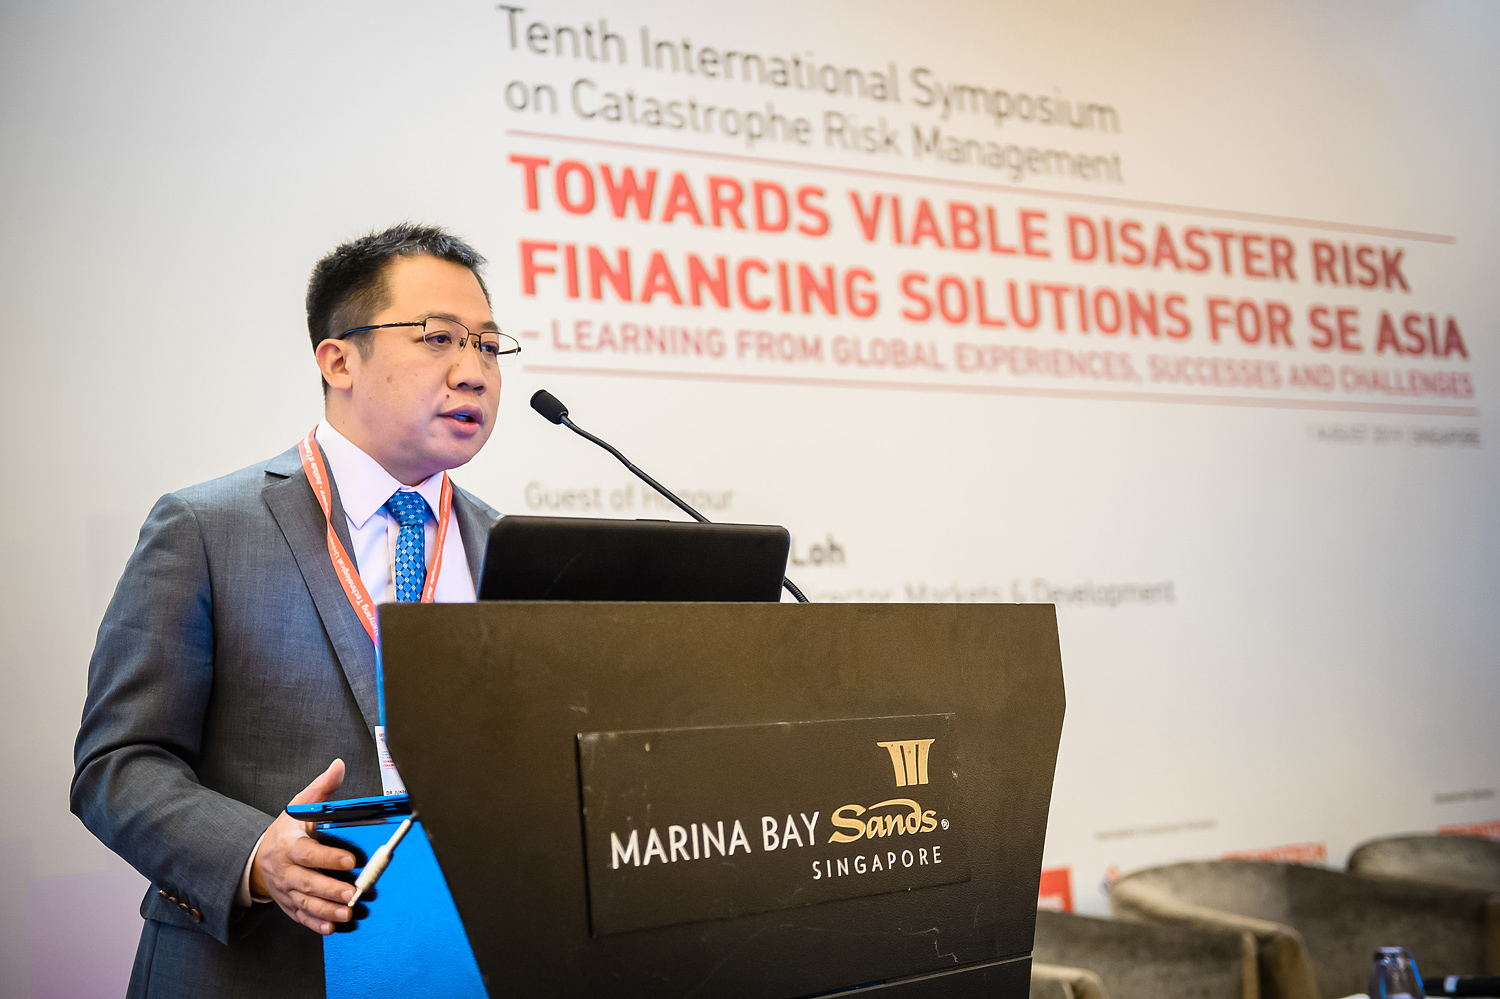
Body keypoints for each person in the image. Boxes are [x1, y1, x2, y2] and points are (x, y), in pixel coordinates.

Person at [71, 223, 514, 998]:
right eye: (439, 338)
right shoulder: (207, 527)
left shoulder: (504, 546)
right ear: (338, 360)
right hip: (257, 968)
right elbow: (118, 764)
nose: (473, 372)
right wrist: (255, 854)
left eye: (487, 344)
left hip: (451, 962)